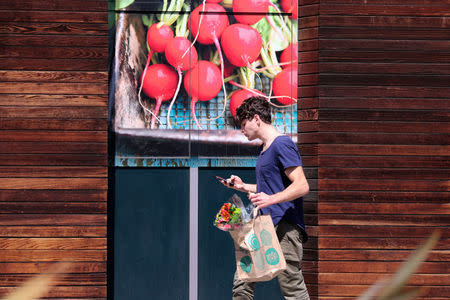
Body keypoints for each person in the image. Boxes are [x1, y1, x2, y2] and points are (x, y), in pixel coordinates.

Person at [221, 96, 310, 300]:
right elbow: (270, 187)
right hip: (265, 225)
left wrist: (271, 199)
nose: (242, 130)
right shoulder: (265, 149)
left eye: (244, 124)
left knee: (292, 287)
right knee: (243, 279)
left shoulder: (282, 144)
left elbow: (302, 185)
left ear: (256, 118)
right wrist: (243, 187)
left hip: (286, 226)